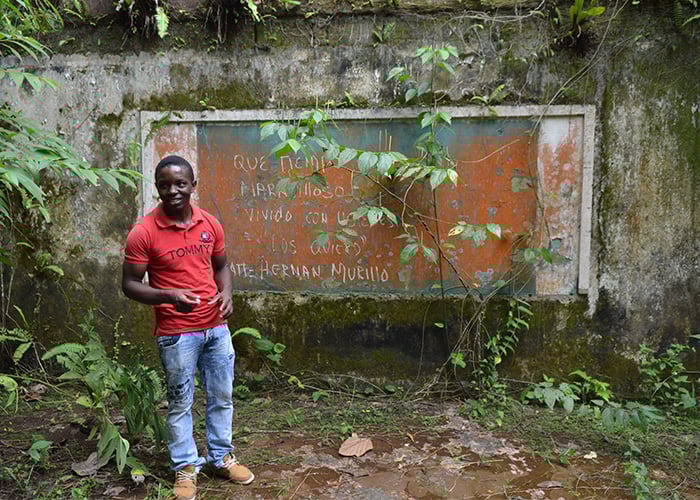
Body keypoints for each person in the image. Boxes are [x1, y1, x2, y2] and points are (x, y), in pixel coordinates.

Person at [122, 155, 254, 500]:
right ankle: (185, 468)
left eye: (180, 183)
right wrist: (168, 296)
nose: (173, 191)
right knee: (180, 403)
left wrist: (227, 293)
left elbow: (221, 266)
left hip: (216, 329)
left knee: (222, 396)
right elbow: (130, 285)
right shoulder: (143, 232)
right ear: (157, 188)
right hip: (176, 333)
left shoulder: (210, 223)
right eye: (164, 185)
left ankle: (221, 458)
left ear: (193, 185)